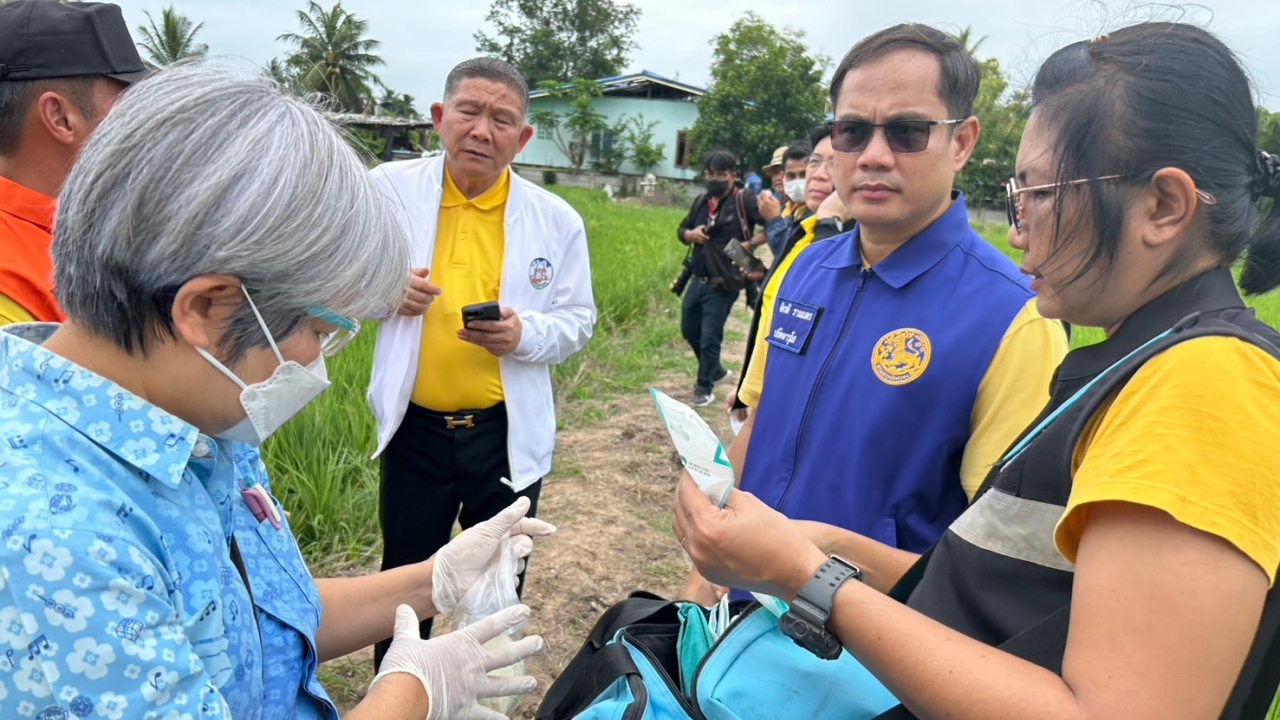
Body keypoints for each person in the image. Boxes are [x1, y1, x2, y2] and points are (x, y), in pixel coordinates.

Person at [676, 21, 1280, 719]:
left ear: (1165, 206)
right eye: (1015, 196)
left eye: (1039, 194)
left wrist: (805, 577)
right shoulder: (1137, 362)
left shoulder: (1208, 387)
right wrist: (828, 548)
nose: (1017, 228)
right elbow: (996, 596)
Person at [0, 62, 550, 720]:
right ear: (206, 307)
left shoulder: (198, 421)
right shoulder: (58, 544)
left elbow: (252, 622)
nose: (316, 362)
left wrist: (432, 581)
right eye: (319, 330)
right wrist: (413, 693)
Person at [685, 25, 1069, 603]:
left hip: (868, 657)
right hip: (736, 621)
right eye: (852, 131)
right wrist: (704, 575)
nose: (873, 156)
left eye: (908, 132)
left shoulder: (1016, 318)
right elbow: (759, 426)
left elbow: (998, 564)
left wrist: (809, 563)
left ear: (961, 142)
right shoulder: (804, 269)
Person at [366, 57, 596, 667]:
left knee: (499, 575)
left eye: (502, 120)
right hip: (414, 429)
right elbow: (336, 278)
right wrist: (383, 289)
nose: (482, 130)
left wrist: (522, 333)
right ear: (440, 118)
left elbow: (578, 321)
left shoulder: (556, 220)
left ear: (521, 139)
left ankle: (483, 695)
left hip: (503, 432)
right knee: (406, 577)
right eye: (468, 112)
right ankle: (398, 688)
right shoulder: (388, 190)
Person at [0, 0, 145, 326]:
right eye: (128, 107)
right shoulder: (11, 280)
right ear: (60, 117)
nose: (145, 124)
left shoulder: (94, 232)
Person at [725, 125, 845, 426]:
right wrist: (747, 391)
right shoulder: (803, 229)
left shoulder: (839, 238)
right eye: (814, 163)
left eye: (837, 163)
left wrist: (829, 222)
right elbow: (774, 321)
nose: (816, 175)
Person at [676, 149, 766, 407]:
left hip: (725, 280)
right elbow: (681, 229)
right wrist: (689, 235)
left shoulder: (744, 200)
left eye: (721, 174)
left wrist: (750, 244)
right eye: (710, 174)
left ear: (732, 176)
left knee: (709, 338)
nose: (715, 179)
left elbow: (774, 224)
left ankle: (704, 388)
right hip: (698, 277)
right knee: (688, 329)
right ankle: (715, 371)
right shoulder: (702, 201)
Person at [757, 142, 814, 260]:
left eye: (803, 175)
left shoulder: (819, 212)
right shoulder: (788, 208)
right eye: (791, 176)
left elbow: (792, 255)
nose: (797, 181)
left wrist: (773, 220)